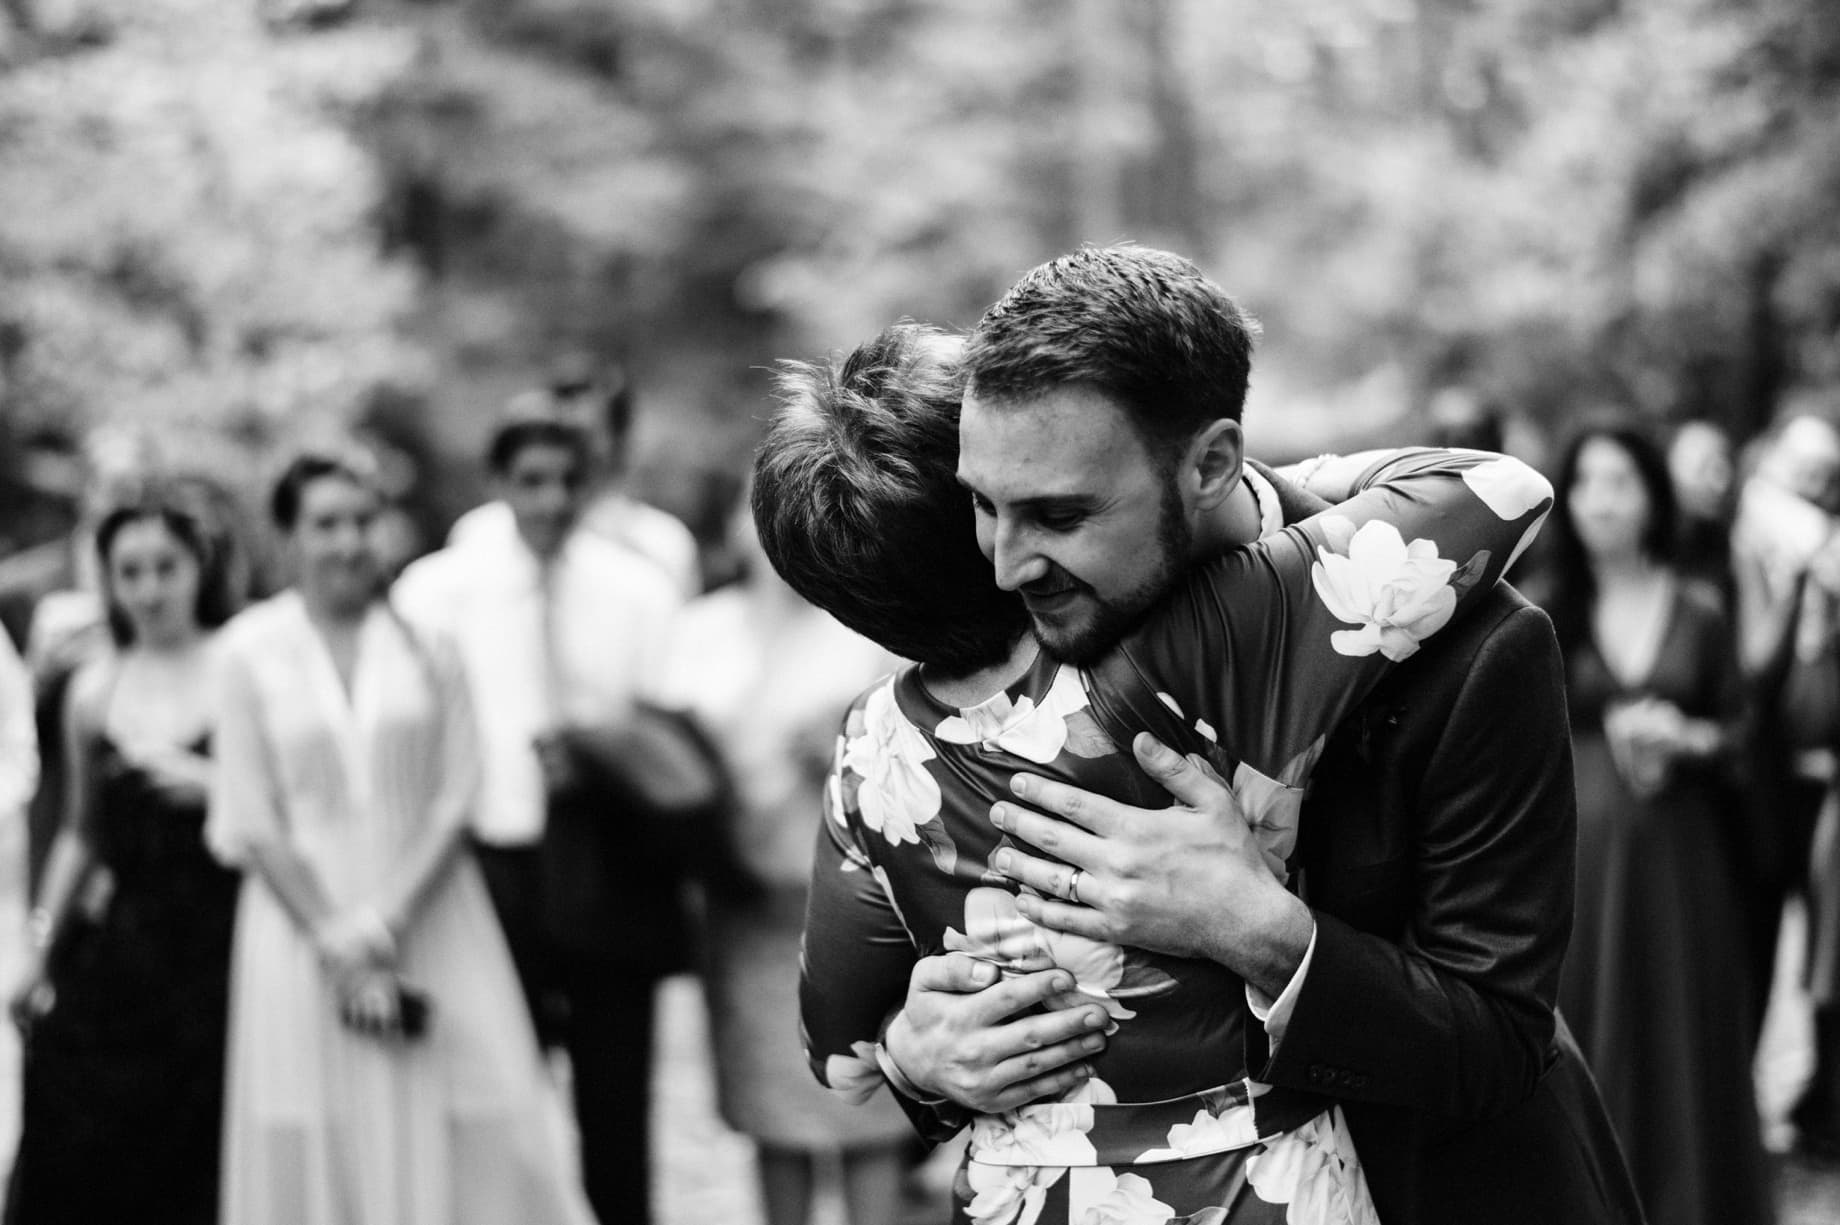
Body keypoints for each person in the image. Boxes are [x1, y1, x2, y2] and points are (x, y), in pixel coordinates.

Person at [769, 248, 1642, 1225]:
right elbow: (878, 1030)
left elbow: (1496, 1039)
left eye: (1058, 514)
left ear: (1211, 463)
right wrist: (921, 1056)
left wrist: (1255, 928)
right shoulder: (1029, 634)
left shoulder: (1476, 644)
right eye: (980, 504)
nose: (1005, 565)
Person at [207, 448, 591, 1225]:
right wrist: (337, 938)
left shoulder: (428, 642)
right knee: (314, 1124)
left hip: (431, 915)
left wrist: (383, 921)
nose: (348, 541)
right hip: (297, 933)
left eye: (360, 520)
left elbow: (459, 791)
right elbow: (251, 814)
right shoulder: (247, 650)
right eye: (325, 523)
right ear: (287, 535)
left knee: (481, 1122)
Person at [394, 404, 684, 1225]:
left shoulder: (639, 591)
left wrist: (604, 754)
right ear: (498, 485)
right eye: (532, 482)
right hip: (493, 870)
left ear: (593, 485)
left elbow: (665, 732)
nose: (552, 500)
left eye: (569, 482)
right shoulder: (438, 592)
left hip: (607, 866)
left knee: (617, 1104)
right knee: (493, 1101)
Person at [1534, 420, 1771, 1224]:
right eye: (1588, 481)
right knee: (1587, 1026)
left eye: (1621, 480)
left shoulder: (1701, 608)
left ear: (1651, 494)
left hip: (1681, 860)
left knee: (1681, 1027)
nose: (1602, 500)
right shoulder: (1541, 606)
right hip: (1580, 864)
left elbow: (1743, 733)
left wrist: (1688, 735)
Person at [657, 490, 910, 1225]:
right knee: (770, 1108)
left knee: (865, 1102)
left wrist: (844, 751)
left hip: (851, 901)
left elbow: (923, 758)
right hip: (742, 904)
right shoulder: (697, 631)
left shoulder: (862, 627)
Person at [5, 482, 231, 1225]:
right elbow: (79, 828)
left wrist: (211, 788)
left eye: (165, 566)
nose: (149, 588)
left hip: (222, 945)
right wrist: (39, 940)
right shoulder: (92, 689)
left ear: (200, 564)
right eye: (129, 570)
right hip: (123, 945)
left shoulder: (244, 665)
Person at [446, 367, 701, 599]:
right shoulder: (480, 533)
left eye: (589, 431)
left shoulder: (660, 542)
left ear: (619, 442)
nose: (570, 440)